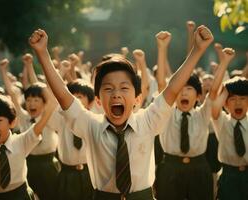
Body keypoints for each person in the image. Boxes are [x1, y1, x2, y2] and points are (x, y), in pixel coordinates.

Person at [29, 25, 213, 200]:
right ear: (98, 100)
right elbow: (62, 94)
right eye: (108, 89)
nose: (116, 94)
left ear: (137, 99)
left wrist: (197, 50)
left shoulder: (147, 121)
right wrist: (42, 53)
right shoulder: (91, 125)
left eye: (124, 88)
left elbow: (172, 89)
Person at [154, 29, 235, 199]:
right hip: (170, 168)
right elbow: (162, 85)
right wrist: (162, 49)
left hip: (199, 169)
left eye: (189, 89)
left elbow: (213, 92)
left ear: (198, 96)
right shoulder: (166, 114)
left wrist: (224, 63)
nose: (183, 93)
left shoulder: (202, 114)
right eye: (180, 89)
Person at [0, 58, 60, 200]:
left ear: (44, 104)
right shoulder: (24, 117)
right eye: (28, 100)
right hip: (29, 163)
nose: (31, 103)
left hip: (48, 164)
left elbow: (46, 93)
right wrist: (3, 71)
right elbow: (12, 94)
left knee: (51, 195)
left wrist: (30, 65)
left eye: (36, 100)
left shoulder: (49, 116)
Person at [0, 92, 55, 200]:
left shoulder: (21, 141)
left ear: (12, 122)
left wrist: (52, 101)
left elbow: (41, 122)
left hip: (20, 196)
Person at [56, 78, 95, 200]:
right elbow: (52, 97)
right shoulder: (60, 119)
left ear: (90, 103)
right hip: (68, 173)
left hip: (90, 173)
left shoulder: (95, 121)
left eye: (79, 97)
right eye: (72, 97)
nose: (75, 102)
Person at [212, 76, 248, 200]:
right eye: (233, 99)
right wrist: (227, 89)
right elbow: (215, 108)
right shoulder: (222, 122)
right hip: (229, 175)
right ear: (226, 104)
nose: (238, 103)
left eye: (243, 98)